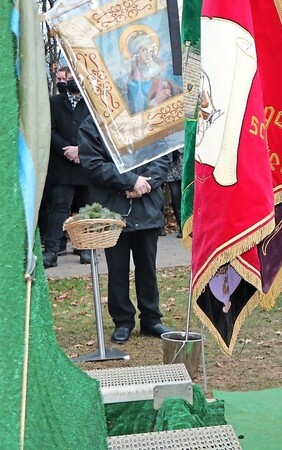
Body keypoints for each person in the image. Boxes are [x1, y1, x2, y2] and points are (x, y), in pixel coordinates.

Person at [77, 119, 173, 343]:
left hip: (146, 206)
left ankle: (151, 318)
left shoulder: (147, 116)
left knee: (147, 266)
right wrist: (130, 181)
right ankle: (122, 321)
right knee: (117, 269)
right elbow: (92, 163)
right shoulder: (93, 124)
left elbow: (163, 156)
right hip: (113, 208)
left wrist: (144, 184)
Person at [43, 66, 92, 268]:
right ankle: (52, 251)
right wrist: (67, 150)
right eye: (68, 77)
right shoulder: (54, 102)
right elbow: (50, 130)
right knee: (58, 209)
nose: (70, 80)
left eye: (74, 77)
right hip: (62, 166)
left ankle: (85, 248)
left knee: (85, 209)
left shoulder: (91, 104)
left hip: (86, 165)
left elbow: (99, 130)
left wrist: (81, 150)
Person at [124, 30, 180, 114]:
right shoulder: (134, 82)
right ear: (136, 55)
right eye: (143, 50)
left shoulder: (166, 67)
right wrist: (155, 102)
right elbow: (137, 113)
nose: (147, 54)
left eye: (149, 49)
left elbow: (182, 85)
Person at [164, 149, 183, 238]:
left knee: (188, 197)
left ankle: (190, 226)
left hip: (185, 164)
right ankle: (182, 227)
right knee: (176, 198)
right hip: (172, 166)